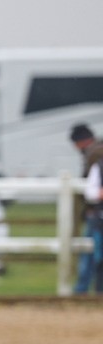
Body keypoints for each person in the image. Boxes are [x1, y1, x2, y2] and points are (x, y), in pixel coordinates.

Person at [70, 123, 103, 294]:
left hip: (96, 212)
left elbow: (89, 186)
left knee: (91, 254)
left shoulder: (94, 154)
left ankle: (83, 289)